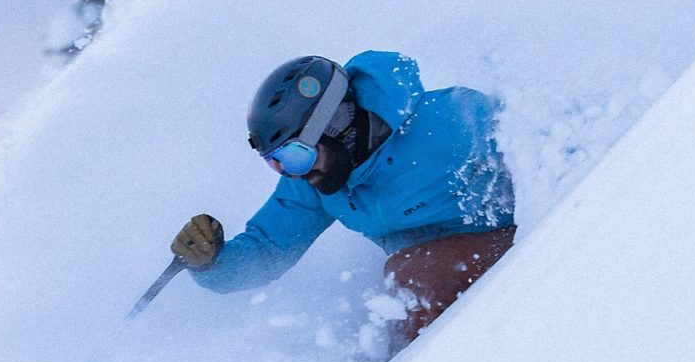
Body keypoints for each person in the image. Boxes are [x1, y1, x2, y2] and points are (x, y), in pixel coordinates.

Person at [171, 51, 516, 347]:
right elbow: (267, 251)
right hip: (436, 275)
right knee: (395, 307)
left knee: (411, 278)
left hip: (516, 245)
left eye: (293, 156)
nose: (293, 173)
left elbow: (533, 138)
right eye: (275, 164)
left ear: (336, 124)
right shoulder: (316, 181)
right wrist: (211, 263)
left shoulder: (448, 121)